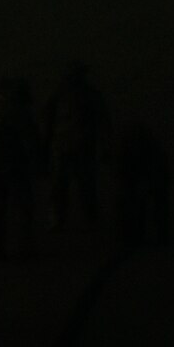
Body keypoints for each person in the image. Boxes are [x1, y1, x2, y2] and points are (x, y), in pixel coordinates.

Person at [43, 63, 110, 231]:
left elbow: (48, 122)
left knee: (76, 185)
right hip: (74, 146)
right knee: (72, 185)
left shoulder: (65, 94)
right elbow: (48, 121)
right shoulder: (87, 95)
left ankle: (75, 218)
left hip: (72, 146)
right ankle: (75, 218)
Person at [0, 78, 41, 261]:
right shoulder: (21, 114)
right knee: (23, 208)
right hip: (15, 167)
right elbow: (30, 142)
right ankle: (24, 247)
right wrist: (37, 163)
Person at [115, 119, 171, 248]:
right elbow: (123, 173)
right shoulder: (127, 151)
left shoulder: (153, 152)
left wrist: (146, 185)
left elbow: (159, 174)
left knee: (156, 205)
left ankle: (158, 235)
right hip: (140, 178)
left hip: (155, 179)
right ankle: (136, 234)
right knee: (134, 203)